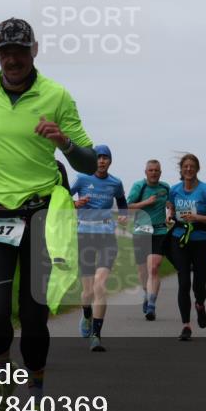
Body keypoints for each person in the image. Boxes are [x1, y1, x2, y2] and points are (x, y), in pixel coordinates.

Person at [0, 18, 97, 411]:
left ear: (34, 50)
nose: (12, 59)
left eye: (19, 50)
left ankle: (36, 404)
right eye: (4, 52)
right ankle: (2, 375)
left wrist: (64, 143)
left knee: (33, 322)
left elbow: (87, 161)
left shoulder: (57, 95)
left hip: (38, 215)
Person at [71, 145, 128, 352]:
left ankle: (96, 335)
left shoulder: (115, 183)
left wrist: (123, 215)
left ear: (110, 161)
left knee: (100, 286)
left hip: (106, 238)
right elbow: (62, 198)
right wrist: (74, 204)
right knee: (87, 292)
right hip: (84, 236)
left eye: (105, 158)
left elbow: (122, 204)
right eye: (98, 157)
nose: (101, 161)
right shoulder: (82, 179)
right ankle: (86, 315)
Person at [166, 154, 206, 341]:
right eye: (185, 167)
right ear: (181, 170)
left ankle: (200, 304)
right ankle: (186, 326)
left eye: (192, 166)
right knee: (183, 283)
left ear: (197, 169)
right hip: (179, 239)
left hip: (202, 240)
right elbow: (170, 210)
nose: (188, 169)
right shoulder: (174, 190)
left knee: (199, 285)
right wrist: (169, 216)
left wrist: (197, 217)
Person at [126, 160, 171, 321]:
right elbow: (127, 205)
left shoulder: (165, 187)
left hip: (159, 230)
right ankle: (146, 294)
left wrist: (170, 212)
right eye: (151, 170)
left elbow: (171, 204)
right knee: (142, 271)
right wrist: (146, 202)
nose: (153, 173)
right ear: (145, 172)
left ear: (160, 172)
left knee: (154, 267)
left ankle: (151, 304)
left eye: (156, 170)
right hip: (141, 231)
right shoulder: (139, 186)